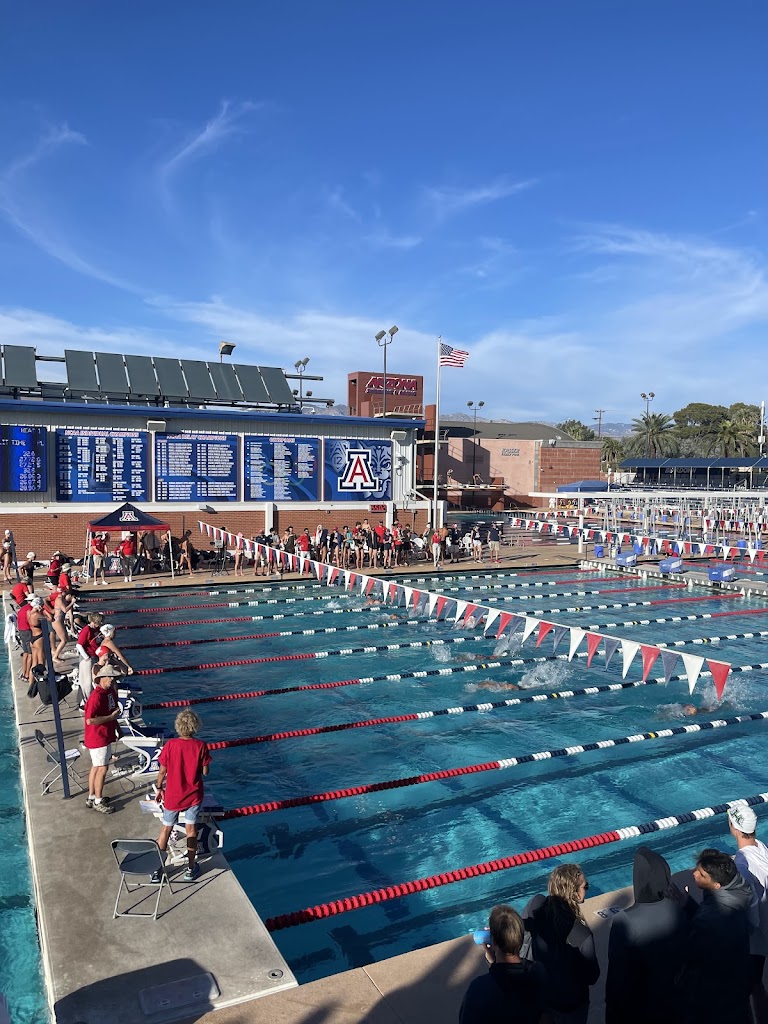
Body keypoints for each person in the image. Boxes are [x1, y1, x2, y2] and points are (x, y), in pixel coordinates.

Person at [604, 846, 688, 1024]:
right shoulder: (678, 910)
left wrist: (611, 1014)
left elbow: (617, 979)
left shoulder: (625, 920)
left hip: (641, 1009)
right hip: (675, 1005)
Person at [670, 847, 752, 1024]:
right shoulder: (734, 893)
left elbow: (692, 954)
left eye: (701, 874)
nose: (694, 874)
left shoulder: (710, 917)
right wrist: (688, 904)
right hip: (737, 984)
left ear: (716, 885)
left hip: (717, 995)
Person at [522, 863, 599, 1023]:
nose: (587, 889)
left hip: (541, 999)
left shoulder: (535, 909)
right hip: (569, 1006)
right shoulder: (581, 934)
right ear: (575, 894)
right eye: (585, 886)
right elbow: (592, 976)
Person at [459, 904, 547, 1024]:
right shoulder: (539, 973)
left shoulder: (478, 989)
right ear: (521, 938)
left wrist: (493, 963)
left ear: (493, 941)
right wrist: (493, 963)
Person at [152, 709, 211, 883]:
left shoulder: (170, 745)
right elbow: (205, 772)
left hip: (173, 795)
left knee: (165, 830)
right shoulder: (201, 745)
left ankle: (157, 870)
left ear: (178, 726)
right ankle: (191, 868)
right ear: (195, 726)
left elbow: (162, 771)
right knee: (191, 830)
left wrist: (159, 788)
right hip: (193, 796)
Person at [728, 804, 768, 1023]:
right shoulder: (761, 847)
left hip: (759, 935)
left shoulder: (742, 864)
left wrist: (747, 931)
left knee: (753, 984)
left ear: (734, 827)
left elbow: (751, 905)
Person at [83, 664, 122, 813]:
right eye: (109, 677)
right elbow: (90, 720)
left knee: (96, 766)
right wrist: (110, 718)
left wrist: (117, 728)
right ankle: (98, 801)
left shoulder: (110, 692)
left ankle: (92, 797)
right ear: (101, 678)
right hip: (98, 737)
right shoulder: (96, 696)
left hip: (105, 735)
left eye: (113, 677)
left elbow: (113, 712)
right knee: (102, 768)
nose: (112, 679)